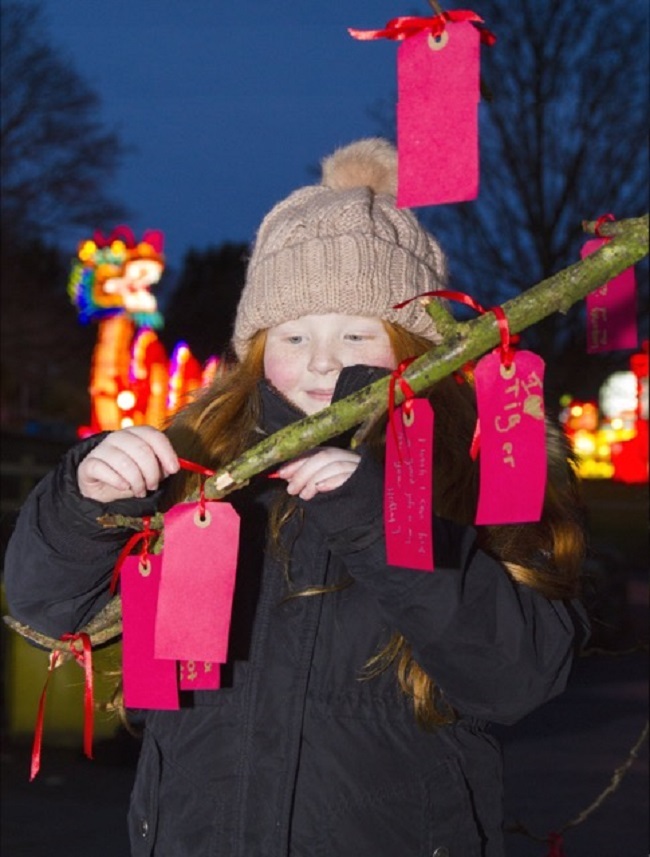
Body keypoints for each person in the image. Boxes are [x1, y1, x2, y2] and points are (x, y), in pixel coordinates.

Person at [4, 138, 588, 857]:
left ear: (416, 345)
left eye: (355, 332)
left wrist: (383, 522)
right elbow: (47, 607)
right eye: (294, 332)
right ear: (255, 346)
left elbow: (519, 674)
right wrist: (84, 505)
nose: (321, 359)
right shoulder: (203, 463)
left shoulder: (470, 470)